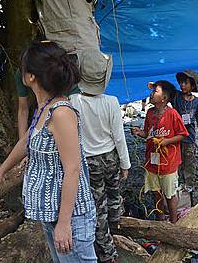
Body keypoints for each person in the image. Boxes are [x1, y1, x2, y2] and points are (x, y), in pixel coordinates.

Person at [0, 41, 97, 262]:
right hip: (53, 214)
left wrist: (64, 223)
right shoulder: (45, 106)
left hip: (71, 217)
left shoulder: (61, 113)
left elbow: (73, 169)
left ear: (31, 77)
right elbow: (27, 141)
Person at [69, 49, 131, 263]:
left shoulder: (74, 101)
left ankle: (106, 249)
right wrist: (126, 163)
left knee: (97, 206)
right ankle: (115, 226)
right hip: (111, 157)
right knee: (114, 194)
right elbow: (119, 137)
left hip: (89, 161)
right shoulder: (112, 101)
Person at [130, 80, 188, 224]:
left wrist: (166, 141)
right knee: (156, 193)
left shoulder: (173, 114)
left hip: (169, 162)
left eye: (155, 91)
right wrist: (139, 132)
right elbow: (147, 133)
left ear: (164, 98)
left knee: (169, 194)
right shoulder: (150, 113)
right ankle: (160, 221)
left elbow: (182, 134)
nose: (151, 94)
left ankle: (173, 223)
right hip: (152, 162)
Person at [172, 70, 198, 192]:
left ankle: (189, 185)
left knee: (189, 162)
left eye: (186, 83)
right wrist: (155, 85)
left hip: (189, 138)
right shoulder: (176, 97)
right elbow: (165, 88)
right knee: (176, 161)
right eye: (181, 82)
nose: (182, 85)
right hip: (175, 137)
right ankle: (177, 183)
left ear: (192, 85)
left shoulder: (197, 102)